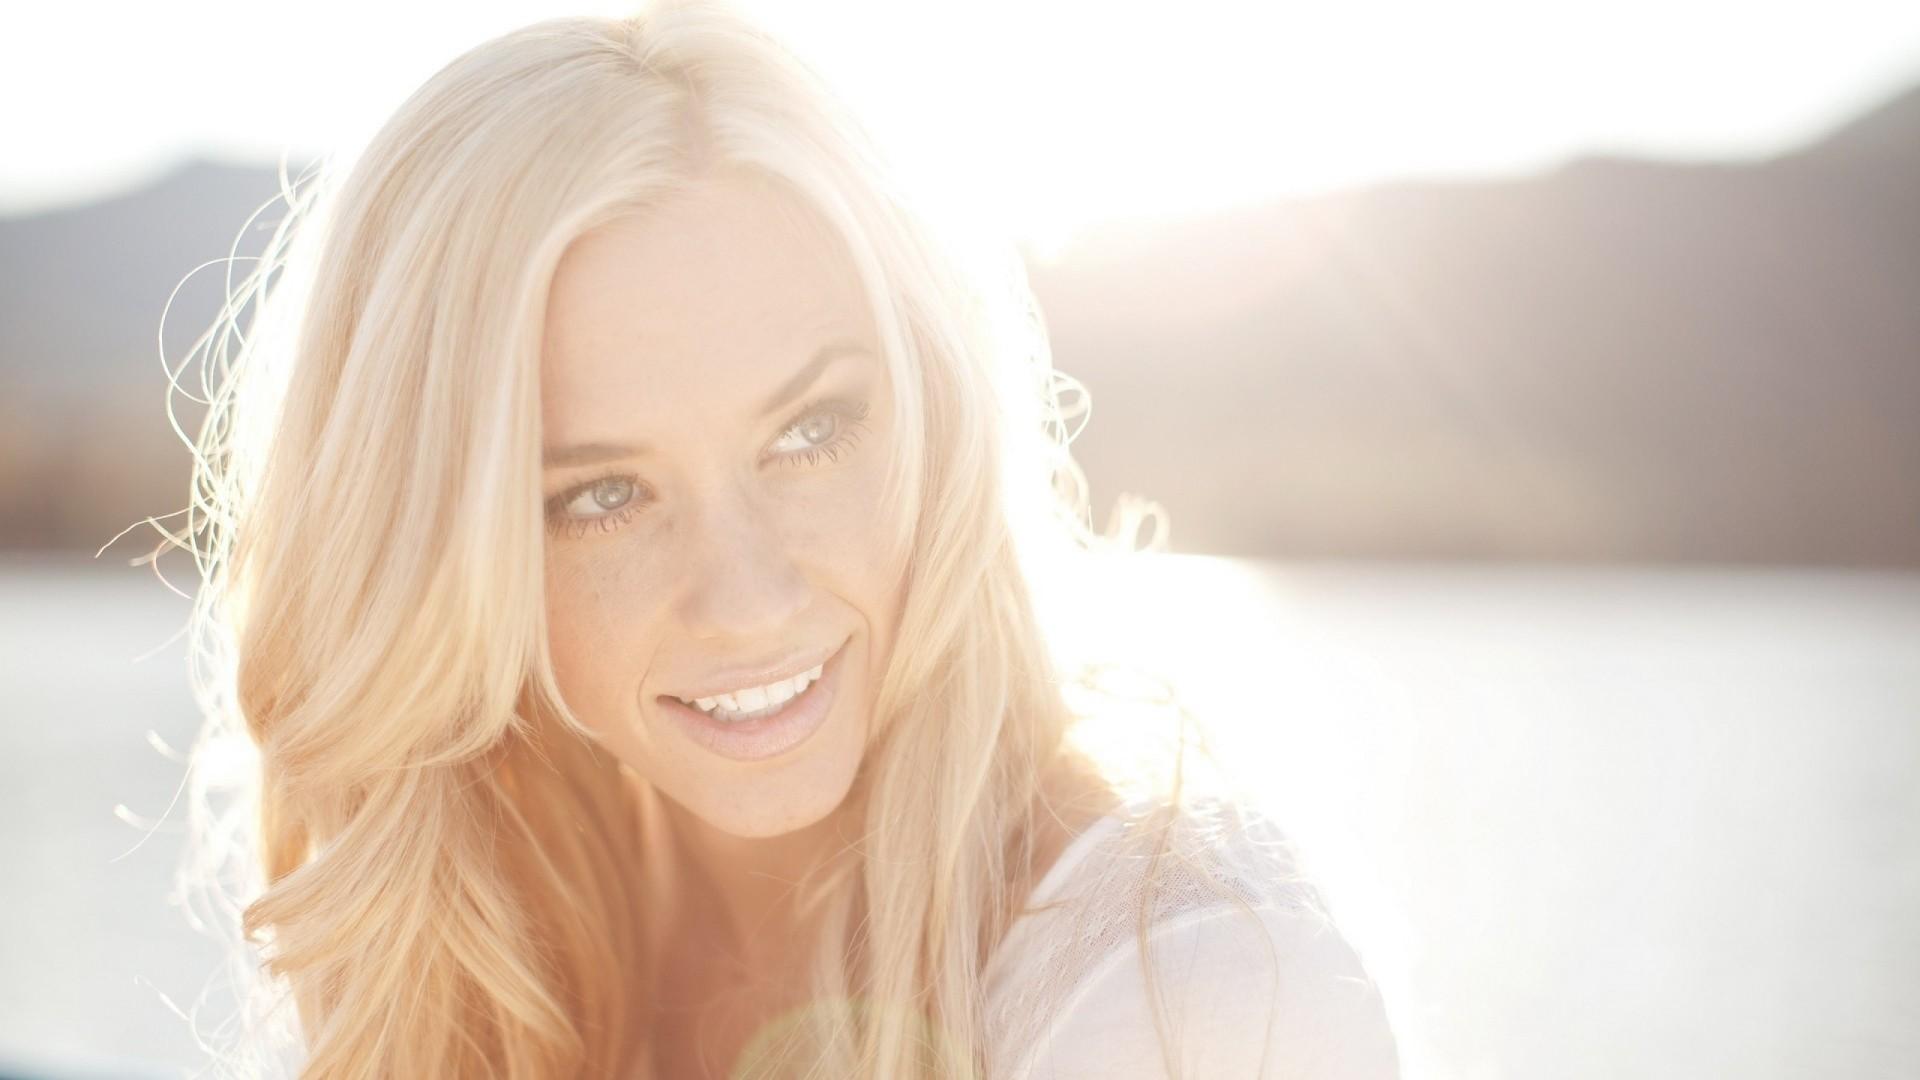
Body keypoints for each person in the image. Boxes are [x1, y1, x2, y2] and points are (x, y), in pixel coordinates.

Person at [163, 2, 1400, 1076]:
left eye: (810, 433)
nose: (748, 599)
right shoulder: (473, 936)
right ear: (434, 555)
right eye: (602, 496)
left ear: (936, 411)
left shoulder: (1186, 996)